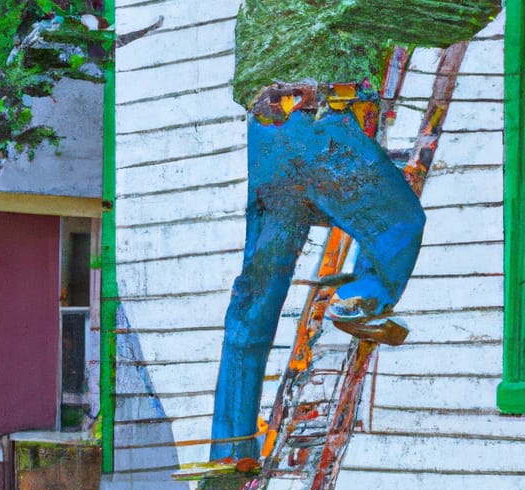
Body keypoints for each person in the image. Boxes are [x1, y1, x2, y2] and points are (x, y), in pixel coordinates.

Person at [210, 0, 502, 461]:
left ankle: (228, 449)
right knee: (399, 221)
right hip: (323, 134)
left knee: (256, 298)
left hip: (267, 145)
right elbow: (435, 18)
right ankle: (360, 300)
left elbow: (246, 85)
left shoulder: (257, 10)